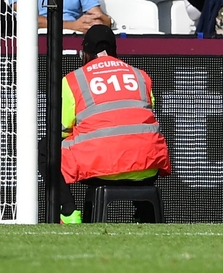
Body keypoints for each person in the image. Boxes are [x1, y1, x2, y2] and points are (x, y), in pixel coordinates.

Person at [48, 24, 172, 223]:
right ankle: (145, 214)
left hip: (101, 170)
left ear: (85, 53)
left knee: (45, 147)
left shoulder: (73, 80)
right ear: (115, 52)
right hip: (148, 168)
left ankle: (69, 213)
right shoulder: (140, 76)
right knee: (139, 143)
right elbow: (143, 114)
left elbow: (61, 129)